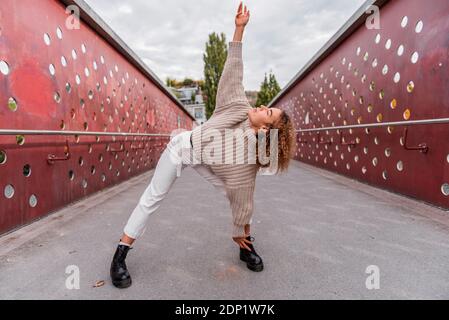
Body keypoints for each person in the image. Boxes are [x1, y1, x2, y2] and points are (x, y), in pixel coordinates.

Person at [110, 1, 296, 288]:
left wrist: (238, 226)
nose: (261, 106)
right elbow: (233, 71)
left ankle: (245, 245)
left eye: (267, 112)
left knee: (240, 195)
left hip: (214, 165)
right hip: (185, 148)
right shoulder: (237, 105)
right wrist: (239, 29)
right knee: (153, 197)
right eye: (266, 106)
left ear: (267, 129)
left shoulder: (252, 152)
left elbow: (243, 189)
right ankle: (120, 254)